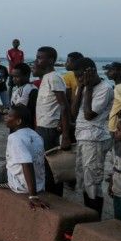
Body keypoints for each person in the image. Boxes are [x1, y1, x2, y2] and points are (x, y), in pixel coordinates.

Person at [72, 58, 114, 217]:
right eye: (77, 77)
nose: (79, 79)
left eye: (81, 76)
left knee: (93, 181)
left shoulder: (105, 88)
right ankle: (88, 213)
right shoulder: (82, 86)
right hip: (82, 137)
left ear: (92, 72)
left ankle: (95, 217)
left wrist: (88, 88)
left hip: (95, 138)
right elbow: (74, 112)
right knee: (83, 179)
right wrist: (81, 86)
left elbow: (89, 114)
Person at [34, 46, 72, 197]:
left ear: (50, 60)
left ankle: (55, 198)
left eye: (40, 57)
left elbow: (64, 106)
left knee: (51, 167)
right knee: (42, 165)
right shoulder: (45, 78)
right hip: (42, 127)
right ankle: (47, 194)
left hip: (49, 129)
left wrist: (66, 135)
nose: (37, 60)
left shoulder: (55, 78)